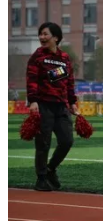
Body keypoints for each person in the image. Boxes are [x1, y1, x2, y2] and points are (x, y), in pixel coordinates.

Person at [26, 22, 79, 191]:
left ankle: (50, 169)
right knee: (43, 144)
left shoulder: (65, 58)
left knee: (67, 141)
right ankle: (41, 178)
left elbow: (69, 82)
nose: (41, 37)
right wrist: (33, 101)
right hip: (43, 105)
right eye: (40, 34)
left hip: (61, 106)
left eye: (45, 34)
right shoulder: (37, 56)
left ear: (56, 38)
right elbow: (31, 79)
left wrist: (72, 102)